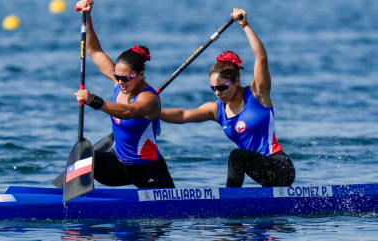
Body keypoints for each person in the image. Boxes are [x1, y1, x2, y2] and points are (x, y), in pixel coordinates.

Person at [160, 8, 295, 187]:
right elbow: (182, 115)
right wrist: (149, 111)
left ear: (236, 81)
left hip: (280, 167)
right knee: (239, 156)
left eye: (222, 87)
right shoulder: (216, 109)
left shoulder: (257, 94)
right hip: (259, 169)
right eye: (213, 88)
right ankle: (234, 203)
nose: (217, 93)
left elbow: (261, 58)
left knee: (236, 155)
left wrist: (244, 25)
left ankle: (230, 204)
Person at [74, 0, 175, 188]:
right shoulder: (119, 83)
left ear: (141, 75)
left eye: (127, 78)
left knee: (164, 219)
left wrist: (94, 101)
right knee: (85, 158)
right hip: (118, 167)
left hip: (148, 170)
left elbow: (127, 112)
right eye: (117, 76)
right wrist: (87, 16)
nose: (121, 82)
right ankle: (81, 202)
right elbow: (93, 50)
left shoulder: (149, 98)